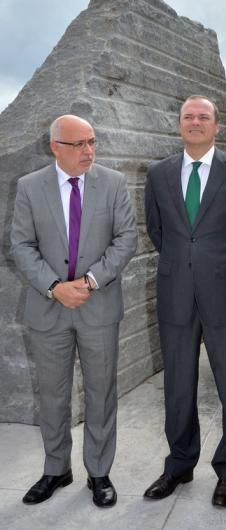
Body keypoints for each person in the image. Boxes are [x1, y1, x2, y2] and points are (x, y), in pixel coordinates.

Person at [11, 114, 137, 508]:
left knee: (101, 393)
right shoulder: (30, 187)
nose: (89, 151)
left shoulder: (113, 183)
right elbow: (21, 246)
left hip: (97, 306)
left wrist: (89, 282)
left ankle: (99, 472)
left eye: (92, 142)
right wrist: (54, 287)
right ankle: (55, 469)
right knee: (52, 395)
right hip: (48, 309)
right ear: (55, 147)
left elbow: (126, 238)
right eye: (79, 144)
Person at [144, 95, 226, 507]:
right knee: (177, 385)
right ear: (179, 124)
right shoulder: (158, 173)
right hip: (175, 291)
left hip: (225, 293)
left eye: (203, 117)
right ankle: (179, 464)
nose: (195, 122)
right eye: (188, 116)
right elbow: (157, 230)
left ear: (217, 127)